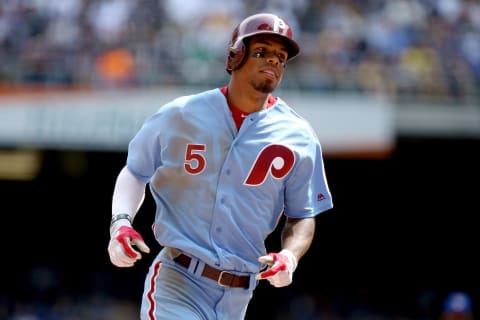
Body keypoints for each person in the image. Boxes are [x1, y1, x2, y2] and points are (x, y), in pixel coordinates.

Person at [107, 12, 333, 320]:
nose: (274, 61)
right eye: (261, 52)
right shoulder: (181, 113)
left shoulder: (299, 135)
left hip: (240, 295)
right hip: (179, 279)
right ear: (235, 56)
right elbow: (135, 170)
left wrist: (290, 257)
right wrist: (120, 222)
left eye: (281, 57)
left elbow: (302, 215)